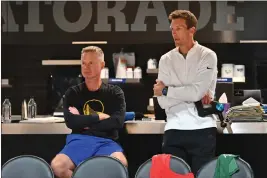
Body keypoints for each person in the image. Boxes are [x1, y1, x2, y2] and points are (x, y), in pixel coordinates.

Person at [153, 10, 218, 174]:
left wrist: (167, 90)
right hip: (173, 129)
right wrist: (190, 93)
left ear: (192, 30)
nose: (174, 33)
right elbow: (162, 101)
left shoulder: (207, 55)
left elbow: (196, 93)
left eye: (179, 28)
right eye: (172, 29)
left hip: (203, 128)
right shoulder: (165, 59)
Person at [51, 46, 127, 178]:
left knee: (120, 162)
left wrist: (84, 122)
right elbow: (70, 122)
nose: (86, 67)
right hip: (79, 141)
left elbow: (117, 121)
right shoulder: (72, 93)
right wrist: (98, 117)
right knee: (58, 166)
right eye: (83, 63)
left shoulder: (115, 92)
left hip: (106, 142)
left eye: (91, 63)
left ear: (102, 65)